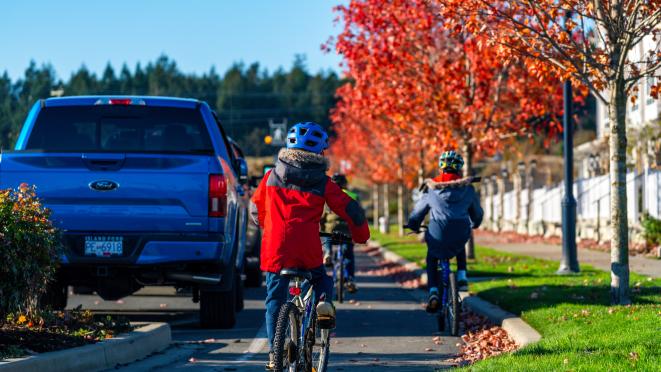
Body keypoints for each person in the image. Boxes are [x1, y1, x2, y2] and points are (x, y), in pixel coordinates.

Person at [250, 122, 370, 370]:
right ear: (320, 153)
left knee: (274, 298)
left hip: (276, 248)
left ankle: (275, 352)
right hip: (307, 248)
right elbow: (352, 211)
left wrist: (266, 223)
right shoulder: (323, 183)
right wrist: (360, 236)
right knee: (321, 280)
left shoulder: (270, 177)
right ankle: (322, 304)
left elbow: (254, 209)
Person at [405, 150, 483, 313]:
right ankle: (462, 276)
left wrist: (413, 224)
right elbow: (477, 212)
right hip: (461, 228)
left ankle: (433, 291)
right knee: (460, 242)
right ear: (460, 168)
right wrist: (476, 222)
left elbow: (419, 211)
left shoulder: (431, 189)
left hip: (437, 230)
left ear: (441, 167)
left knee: (432, 256)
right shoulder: (468, 189)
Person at [321, 173, 360, 293]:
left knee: (327, 236)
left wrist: (322, 228)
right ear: (345, 184)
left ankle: (327, 251)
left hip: (331, 228)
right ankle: (350, 280)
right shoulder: (353, 195)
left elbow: (322, 216)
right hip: (347, 230)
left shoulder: (326, 196)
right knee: (348, 255)